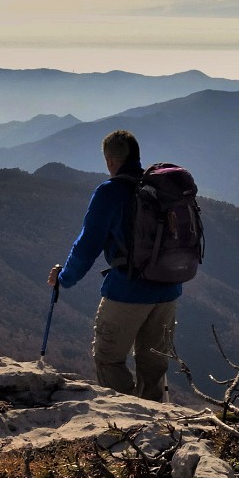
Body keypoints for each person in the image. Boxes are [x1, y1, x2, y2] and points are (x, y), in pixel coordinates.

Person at [48, 129, 179, 401]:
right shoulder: (160, 189)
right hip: (168, 290)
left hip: (127, 292)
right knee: (153, 364)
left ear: (110, 160)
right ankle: (155, 427)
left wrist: (64, 278)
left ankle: (129, 422)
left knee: (108, 359)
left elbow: (87, 246)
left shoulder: (110, 192)